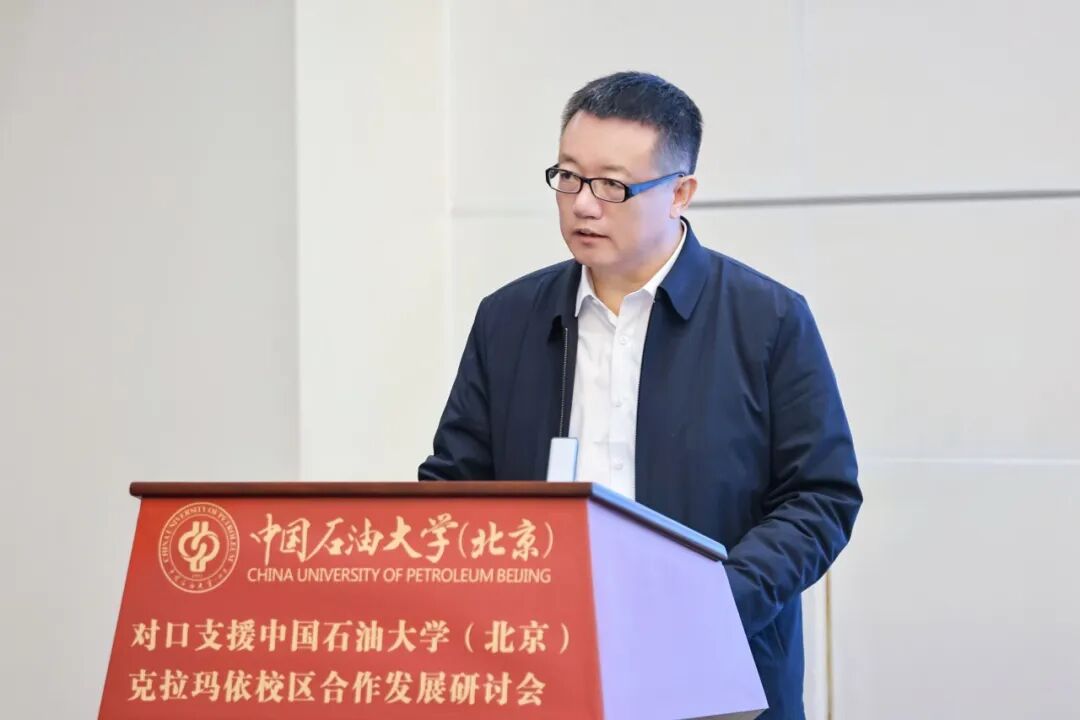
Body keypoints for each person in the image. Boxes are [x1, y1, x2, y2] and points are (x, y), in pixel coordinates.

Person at [419, 71, 861, 719]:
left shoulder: (766, 320)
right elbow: (454, 487)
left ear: (680, 192)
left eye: (612, 184)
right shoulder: (508, 318)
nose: (583, 205)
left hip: (713, 671)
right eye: (568, 177)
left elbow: (820, 497)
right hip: (541, 669)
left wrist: (714, 602)